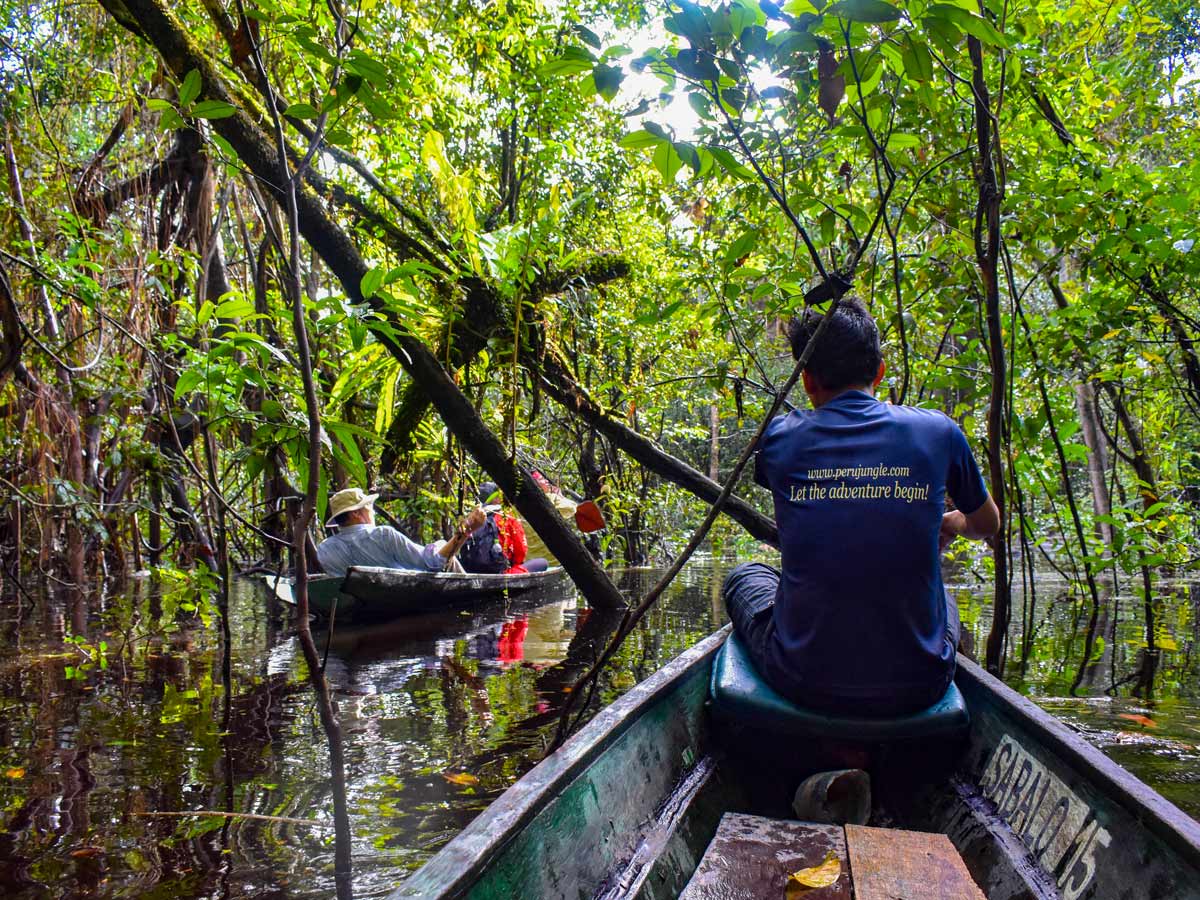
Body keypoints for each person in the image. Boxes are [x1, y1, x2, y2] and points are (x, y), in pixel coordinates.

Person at [724, 298, 1000, 716]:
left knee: (745, 576)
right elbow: (987, 524)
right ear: (880, 372)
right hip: (920, 683)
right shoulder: (938, 431)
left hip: (803, 679)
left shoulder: (779, 439)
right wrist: (952, 521)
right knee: (943, 596)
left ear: (808, 381)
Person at [317, 487, 485, 578]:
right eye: (369, 507)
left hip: (360, 604)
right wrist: (467, 528)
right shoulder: (382, 535)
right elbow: (432, 564)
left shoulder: (324, 549)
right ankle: (472, 588)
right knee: (441, 547)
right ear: (356, 514)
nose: (373, 512)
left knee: (438, 547)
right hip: (402, 595)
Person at [460, 483, 549, 574]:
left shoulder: (470, 518)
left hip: (469, 571)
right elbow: (520, 552)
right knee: (543, 563)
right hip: (501, 573)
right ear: (495, 499)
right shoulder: (506, 516)